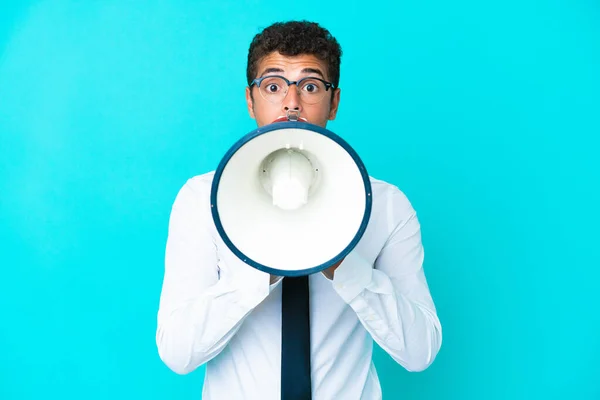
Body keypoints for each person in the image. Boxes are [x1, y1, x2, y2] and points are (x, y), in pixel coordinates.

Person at [156, 20, 442, 399]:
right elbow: (177, 353)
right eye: (273, 86)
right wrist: (257, 271)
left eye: (310, 86)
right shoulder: (201, 199)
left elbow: (420, 352)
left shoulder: (387, 206)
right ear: (250, 100)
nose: (291, 102)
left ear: (334, 102)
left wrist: (345, 268)